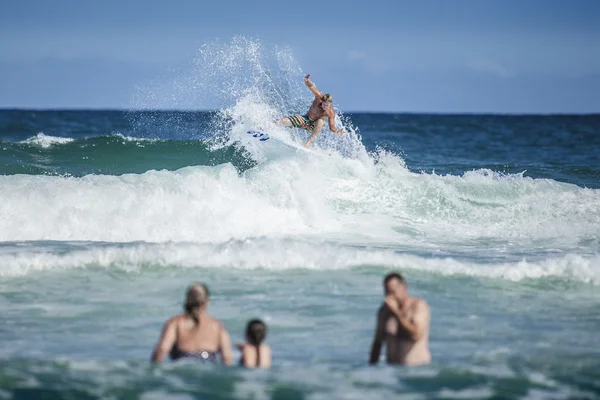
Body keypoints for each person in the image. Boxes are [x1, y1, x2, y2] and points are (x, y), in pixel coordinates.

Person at [151, 282, 233, 365]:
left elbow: (162, 349)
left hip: (183, 362)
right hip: (208, 364)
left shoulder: (175, 323)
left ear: (187, 300)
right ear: (206, 302)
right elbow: (227, 358)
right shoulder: (217, 326)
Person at [369, 272, 431, 366]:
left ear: (404, 289)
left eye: (393, 293)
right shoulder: (384, 312)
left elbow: (415, 334)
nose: (389, 297)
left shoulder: (418, 306)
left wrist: (396, 313)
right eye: (387, 293)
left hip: (416, 370)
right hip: (393, 373)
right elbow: (377, 343)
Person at [278, 73, 346, 148]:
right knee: (283, 121)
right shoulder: (319, 97)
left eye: (327, 105)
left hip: (313, 126)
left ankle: (307, 144)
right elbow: (311, 86)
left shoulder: (331, 112)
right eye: (324, 104)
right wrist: (307, 81)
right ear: (322, 100)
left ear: (330, 104)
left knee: (321, 121)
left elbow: (332, 127)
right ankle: (268, 128)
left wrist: (337, 131)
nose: (325, 107)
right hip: (305, 119)